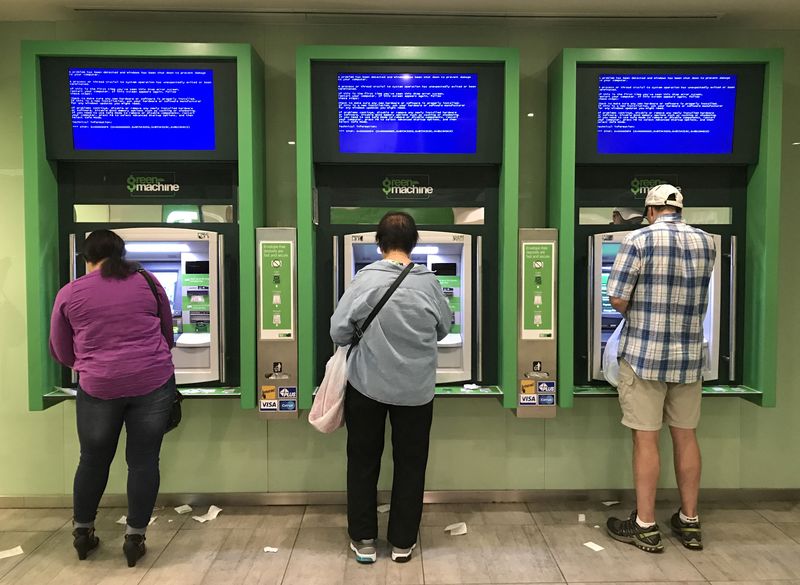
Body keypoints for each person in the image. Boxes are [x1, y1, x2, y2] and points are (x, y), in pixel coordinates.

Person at [330, 212, 452, 564]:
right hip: (416, 391)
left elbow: (338, 330)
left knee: (363, 462)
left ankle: (364, 539)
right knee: (411, 464)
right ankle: (402, 543)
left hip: (366, 387)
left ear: (378, 243)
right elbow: (444, 328)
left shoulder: (363, 280)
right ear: (414, 243)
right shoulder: (429, 283)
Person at [49, 229, 176, 567]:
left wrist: (90, 365)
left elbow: (59, 349)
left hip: (98, 387)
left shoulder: (70, 292)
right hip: (152, 383)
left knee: (92, 459)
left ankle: (82, 532)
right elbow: (167, 331)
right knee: (144, 460)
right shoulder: (147, 281)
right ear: (121, 254)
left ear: (86, 257)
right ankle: (135, 537)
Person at [605, 184, 715, 553]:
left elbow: (617, 296)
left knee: (645, 438)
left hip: (644, 356)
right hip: (689, 357)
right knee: (686, 436)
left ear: (650, 210)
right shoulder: (706, 242)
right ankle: (690, 520)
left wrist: (639, 313)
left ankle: (646, 525)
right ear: (680, 210)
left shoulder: (638, 240)